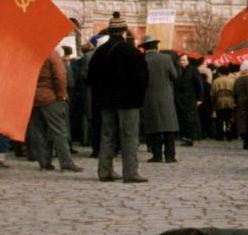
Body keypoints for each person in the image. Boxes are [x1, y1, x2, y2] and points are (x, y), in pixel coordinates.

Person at [87, 12, 149, 183]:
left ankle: (105, 171)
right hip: (128, 102)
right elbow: (143, 78)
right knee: (129, 137)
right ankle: (130, 172)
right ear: (124, 32)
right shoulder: (132, 52)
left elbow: (91, 77)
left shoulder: (99, 53)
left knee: (107, 136)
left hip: (106, 102)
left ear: (109, 32)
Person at [28, 48, 82, 172]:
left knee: (40, 131)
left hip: (34, 97)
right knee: (59, 131)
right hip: (51, 97)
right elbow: (60, 76)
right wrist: (61, 94)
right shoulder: (52, 54)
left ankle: (44, 162)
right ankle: (66, 162)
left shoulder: (32, 54)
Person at [141, 36, 180, 162]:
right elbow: (174, 75)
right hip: (166, 97)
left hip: (148, 98)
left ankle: (156, 155)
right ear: (156, 46)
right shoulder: (166, 58)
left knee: (154, 128)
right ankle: (170, 155)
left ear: (144, 48)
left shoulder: (142, 60)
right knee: (168, 127)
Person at [211, 67, 238, 140]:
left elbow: (212, 93)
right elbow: (236, 92)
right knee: (229, 118)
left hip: (219, 101)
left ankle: (220, 135)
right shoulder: (233, 81)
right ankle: (229, 135)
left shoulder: (216, 81)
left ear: (219, 72)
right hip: (230, 101)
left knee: (220, 119)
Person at [233, 59, 248, 149]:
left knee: (243, 123)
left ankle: (246, 142)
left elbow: (234, 92)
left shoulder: (238, 80)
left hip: (240, 103)